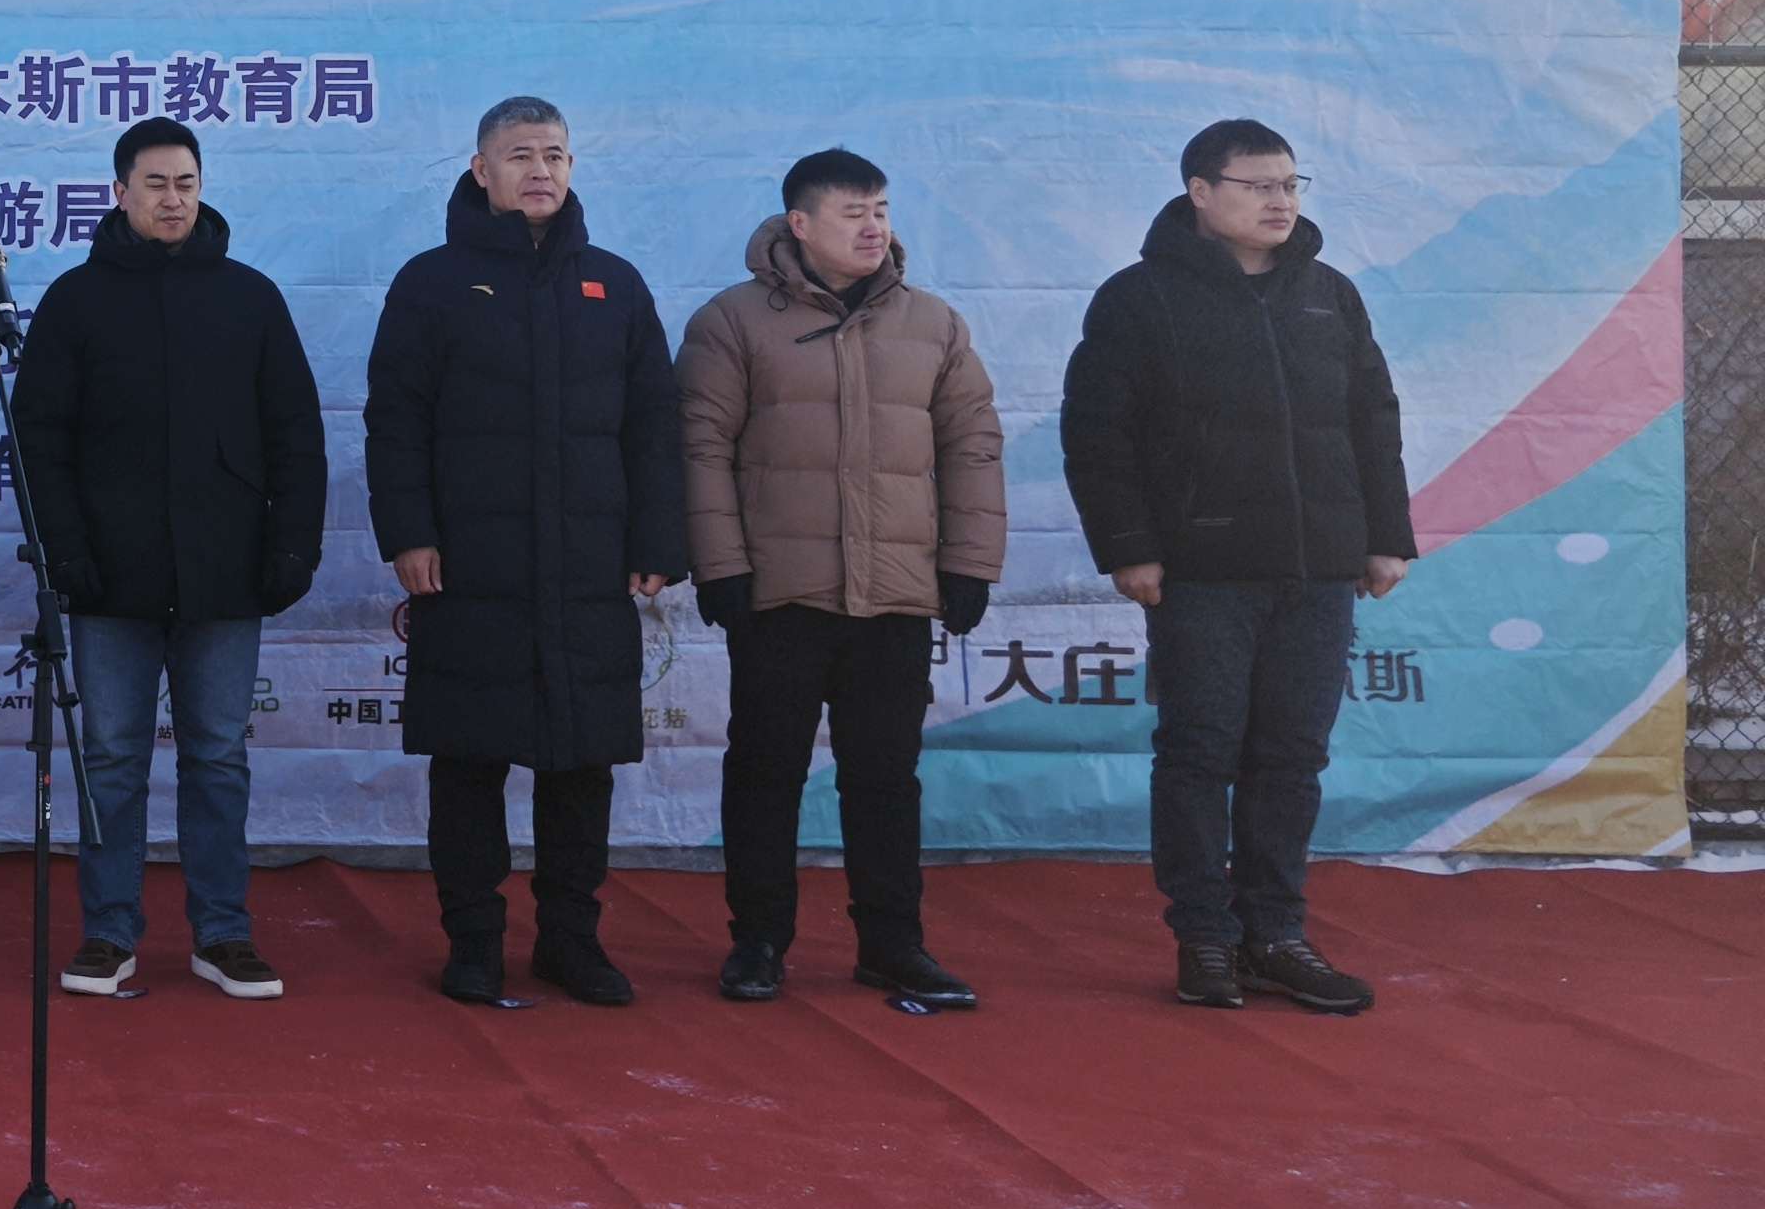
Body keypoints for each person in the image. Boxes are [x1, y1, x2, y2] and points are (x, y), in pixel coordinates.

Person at [1060, 118, 1411, 1015]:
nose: (1279, 201)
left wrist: (1385, 536)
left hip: (1318, 571)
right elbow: (1098, 435)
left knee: (1292, 758)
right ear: (1201, 192)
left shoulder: (1328, 294)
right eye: (1258, 186)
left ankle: (1275, 935)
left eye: (1290, 184)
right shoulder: (1139, 298)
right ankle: (1205, 937)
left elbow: (1373, 418)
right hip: (1202, 571)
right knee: (1199, 753)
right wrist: (1130, 548)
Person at [364, 97, 688, 1008]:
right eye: (520, 155)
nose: (540, 170)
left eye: (554, 155)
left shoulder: (614, 284)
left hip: (588, 569)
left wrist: (658, 540)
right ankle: (473, 942)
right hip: (471, 570)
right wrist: (410, 534)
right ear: (482, 171)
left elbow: (654, 427)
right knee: (469, 763)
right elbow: (396, 421)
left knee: (580, 766)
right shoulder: (431, 282)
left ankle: (569, 942)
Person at [676, 147, 1006, 1008]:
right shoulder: (732, 321)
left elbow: (972, 445)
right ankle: (758, 942)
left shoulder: (932, 323)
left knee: (886, 777)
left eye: (882, 211)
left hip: (895, 592)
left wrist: (968, 563)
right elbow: (700, 448)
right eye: (853, 212)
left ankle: (894, 946)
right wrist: (721, 565)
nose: (873, 228)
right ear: (800, 224)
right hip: (779, 592)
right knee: (765, 771)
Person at [14, 118, 324, 1000]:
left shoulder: (249, 298)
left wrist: (291, 547)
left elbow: (296, 433)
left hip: (226, 575)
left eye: (186, 182)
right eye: (155, 183)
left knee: (217, 756)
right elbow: (41, 440)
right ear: (119, 193)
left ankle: (222, 934)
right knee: (111, 757)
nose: (173, 198)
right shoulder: (77, 300)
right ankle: (108, 933)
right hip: (108, 579)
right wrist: (64, 553)